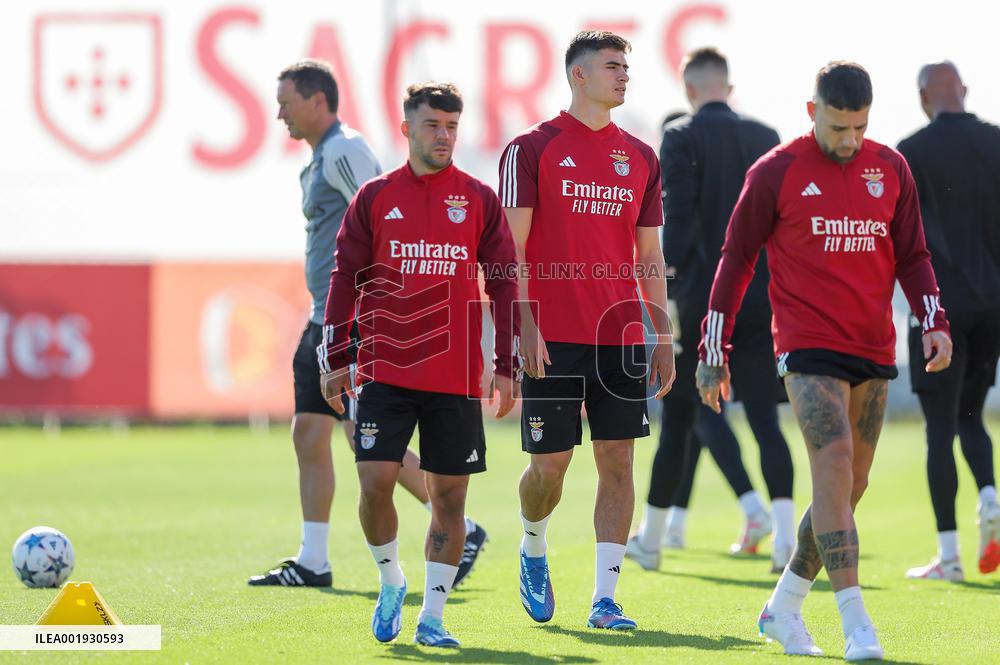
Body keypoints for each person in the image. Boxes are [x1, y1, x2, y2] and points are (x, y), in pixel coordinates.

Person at [696, 61, 952, 661]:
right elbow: (735, 261)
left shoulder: (890, 168)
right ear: (812, 112)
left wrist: (933, 321)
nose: (849, 140)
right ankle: (856, 623)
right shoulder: (776, 172)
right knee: (834, 465)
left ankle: (782, 607)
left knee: (850, 484)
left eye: (859, 127)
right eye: (839, 127)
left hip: (873, 346)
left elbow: (913, 254)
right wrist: (714, 351)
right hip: (806, 346)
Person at [249, 61, 486, 589]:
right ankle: (314, 560)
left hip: (358, 321)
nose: (280, 112)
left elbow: (387, 216)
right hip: (322, 319)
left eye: (286, 101)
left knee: (368, 441)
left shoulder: (346, 150)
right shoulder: (317, 159)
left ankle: (461, 527)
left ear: (317, 100)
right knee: (309, 432)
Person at [319, 82, 520, 647]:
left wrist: (505, 364)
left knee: (451, 497)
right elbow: (344, 279)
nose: (444, 136)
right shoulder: (376, 197)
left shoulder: (478, 198)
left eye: (452, 127)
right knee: (375, 479)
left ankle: (432, 617)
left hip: (455, 375)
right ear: (407, 129)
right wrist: (337, 355)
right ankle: (391, 581)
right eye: (433, 126)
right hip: (385, 366)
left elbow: (504, 282)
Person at [499, 30, 675, 631]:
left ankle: (605, 598)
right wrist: (520, 323)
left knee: (618, 464)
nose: (624, 75)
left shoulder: (642, 157)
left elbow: (649, 256)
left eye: (627, 66)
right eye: (611, 66)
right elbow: (508, 249)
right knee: (549, 467)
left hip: (621, 334)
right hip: (552, 336)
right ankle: (532, 543)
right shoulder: (531, 148)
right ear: (578, 74)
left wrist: (663, 334)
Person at [628, 47, 796, 574]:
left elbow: (676, 220)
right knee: (766, 419)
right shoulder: (767, 137)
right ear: (729, 84)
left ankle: (653, 539)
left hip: (702, 297)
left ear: (689, 89)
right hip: (760, 295)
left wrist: (665, 288)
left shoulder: (679, 136)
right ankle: (786, 541)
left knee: (680, 415)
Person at [898, 61, 1000, 582]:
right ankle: (990, 495)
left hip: (935, 308)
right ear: (963, 89)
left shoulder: (908, 152)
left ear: (922, 98)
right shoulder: (996, 141)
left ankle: (950, 557)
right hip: (992, 305)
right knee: (972, 416)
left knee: (940, 427)